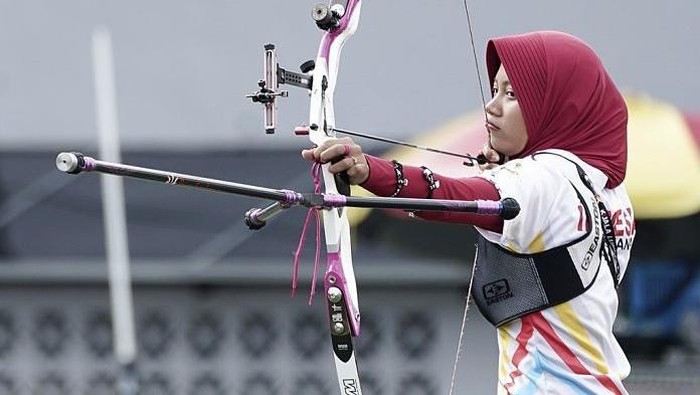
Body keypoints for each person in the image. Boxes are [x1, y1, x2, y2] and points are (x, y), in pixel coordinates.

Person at [302, 30, 636, 394]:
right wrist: (507, 170)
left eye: (512, 94)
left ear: (555, 104)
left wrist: (370, 171)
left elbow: (454, 197)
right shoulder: (610, 192)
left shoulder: (543, 178)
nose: (492, 108)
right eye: (495, 90)